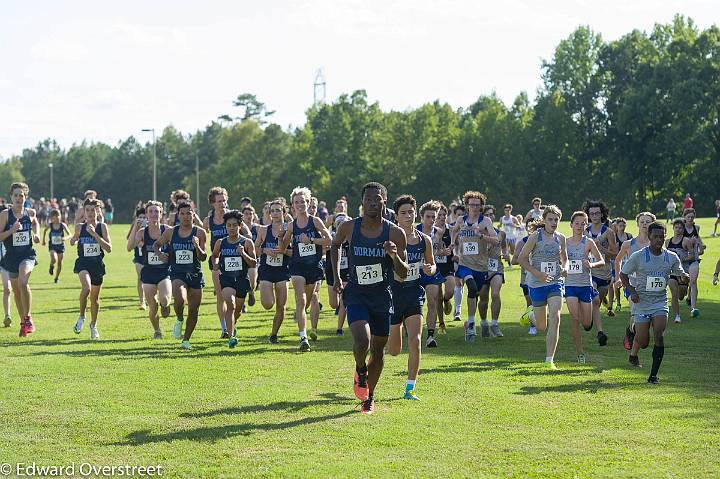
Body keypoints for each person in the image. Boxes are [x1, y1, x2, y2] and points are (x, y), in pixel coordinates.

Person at [330, 181, 408, 414]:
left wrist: (394, 256)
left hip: (382, 296)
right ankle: (360, 369)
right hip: (356, 293)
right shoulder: (348, 228)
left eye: (377, 199)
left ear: (384, 203)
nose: (373, 203)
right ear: (361, 203)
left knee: (378, 349)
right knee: (362, 341)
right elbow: (335, 247)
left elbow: (402, 273)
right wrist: (336, 277)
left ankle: (369, 397)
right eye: (368, 200)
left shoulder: (395, 232)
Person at [620, 222, 688, 384]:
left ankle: (653, 375)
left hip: (659, 302)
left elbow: (680, 273)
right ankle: (633, 329)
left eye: (661, 236)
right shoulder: (638, 256)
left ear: (665, 237)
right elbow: (623, 274)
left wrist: (684, 277)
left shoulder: (671, 257)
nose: (658, 239)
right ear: (649, 236)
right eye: (655, 236)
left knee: (658, 334)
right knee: (643, 343)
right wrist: (632, 291)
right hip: (642, 302)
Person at [388, 195, 435, 401]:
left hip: (414, 293)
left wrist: (429, 269)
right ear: (396, 217)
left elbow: (432, 266)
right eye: (403, 213)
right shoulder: (390, 240)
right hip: (392, 294)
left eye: (411, 212)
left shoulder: (425, 240)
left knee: (415, 340)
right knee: (394, 350)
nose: (408, 216)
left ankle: (409, 389)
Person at [279, 187, 332, 351]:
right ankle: (303, 338)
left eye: (303, 201)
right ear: (292, 205)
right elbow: (283, 247)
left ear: (308, 203)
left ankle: (306, 326)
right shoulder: (291, 226)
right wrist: (281, 238)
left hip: (314, 267)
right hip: (297, 267)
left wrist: (310, 240)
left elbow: (329, 240)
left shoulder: (315, 221)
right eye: (296, 202)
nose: (300, 204)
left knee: (307, 301)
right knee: (301, 300)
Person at [518, 205, 567, 369]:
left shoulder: (561, 238)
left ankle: (549, 360)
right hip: (537, 284)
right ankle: (530, 314)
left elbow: (564, 258)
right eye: (550, 219)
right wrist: (537, 273)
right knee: (541, 326)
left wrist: (565, 268)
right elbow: (522, 259)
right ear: (544, 220)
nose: (553, 223)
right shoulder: (535, 237)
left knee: (556, 317)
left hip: (555, 282)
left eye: (556, 220)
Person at [154, 201, 207, 350]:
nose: (185, 216)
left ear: (193, 214)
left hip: (195, 274)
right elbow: (156, 245)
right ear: (178, 215)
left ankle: (186, 340)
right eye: (182, 213)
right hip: (178, 273)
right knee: (179, 300)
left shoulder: (200, 233)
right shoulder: (171, 232)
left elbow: (203, 257)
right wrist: (160, 254)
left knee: (194, 310)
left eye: (188, 213)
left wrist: (197, 246)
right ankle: (179, 319)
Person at [449, 191, 498, 341]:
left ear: (481, 206)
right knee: (471, 287)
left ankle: (479, 322)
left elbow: (495, 240)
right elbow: (454, 231)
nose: (475, 208)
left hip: (481, 265)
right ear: (467, 205)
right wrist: (453, 244)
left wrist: (481, 235)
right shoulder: (461, 220)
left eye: (477, 205)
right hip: (464, 263)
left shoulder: (485, 221)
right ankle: (471, 324)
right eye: (472, 205)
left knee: (480, 296)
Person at [212, 210, 257, 348]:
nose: (231, 228)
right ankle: (231, 337)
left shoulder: (247, 243)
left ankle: (232, 325)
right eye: (228, 225)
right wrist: (216, 263)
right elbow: (214, 256)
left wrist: (243, 254)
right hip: (226, 279)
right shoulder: (220, 242)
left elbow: (254, 263)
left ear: (240, 226)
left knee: (237, 310)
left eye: (234, 225)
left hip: (242, 280)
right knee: (230, 305)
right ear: (225, 226)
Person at [0, 182, 40, 337]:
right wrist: (12, 230)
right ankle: (23, 322)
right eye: (16, 195)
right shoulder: (4, 215)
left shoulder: (30, 212)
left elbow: (35, 223)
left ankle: (28, 318)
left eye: (21, 195)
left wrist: (36, 234)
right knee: (16, 292)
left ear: (26, 197)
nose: (18, 198)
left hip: (27, 255)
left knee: (23, 282)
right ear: (11, 197)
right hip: (11, 257)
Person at [564, 212, 605, 363]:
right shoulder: (565, 242)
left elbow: (601, 261)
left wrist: (592, 264)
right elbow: (559, 259)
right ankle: (580, 352)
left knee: (586, 323)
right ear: (571, 224)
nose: (580, 226)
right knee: (574, 318)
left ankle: (588, 321)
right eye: (577, 223)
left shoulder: (588, 242)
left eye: (583, 223)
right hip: (570, 285)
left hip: (585, 285)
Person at [71, 199, 112, 339]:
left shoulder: (102, 227)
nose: (89, 213)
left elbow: (109, 248)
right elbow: (74, 238)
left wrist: (95, 235)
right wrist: (73, 239)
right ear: (84, 211)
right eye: (87, 210)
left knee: (94, 299)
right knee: (86, 288)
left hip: (97, 265)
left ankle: (93, 325)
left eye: (92, 210)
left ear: (98, 211)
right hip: (83, 263)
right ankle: (82, 316)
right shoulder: (79, 226)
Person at [131, 201, 172, 338]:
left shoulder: (167, 230)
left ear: (161, 214)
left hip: (164, 271)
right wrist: (134, 228)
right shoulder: (142, 232)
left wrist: (168, 256)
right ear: (147, 215)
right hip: (148, 272)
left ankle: (165, 306)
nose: (154, 214)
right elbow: (130, 246)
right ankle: (157, 331)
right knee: (152, 306)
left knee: (165, 300)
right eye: (151, 212)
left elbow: (175, 248)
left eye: (157, 212)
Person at [614, 212, 654, 351]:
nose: (644, 224)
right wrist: (618, 277)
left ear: (652, 225)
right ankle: (633, 333)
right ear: (637, 224)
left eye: (647, 222)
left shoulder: (655, 243)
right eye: (642, 221)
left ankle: (631, 332)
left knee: (645, 317)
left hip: (650, 287)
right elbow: (618, 260)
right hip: (631, 285)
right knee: (636, 312)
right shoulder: (628, 244)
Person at [255, 199, 292, 343]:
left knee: (281, 307)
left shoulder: (290, 229)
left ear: (284, 212)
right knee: (268, 304)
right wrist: (265, 250)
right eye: (272, 211)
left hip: (283, 271)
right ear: (269, 214)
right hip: (267, 270)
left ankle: (273, 334)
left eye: (278, 210)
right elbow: (255, 250)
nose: (275, 213)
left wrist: (284, 251)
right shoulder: (264, 230)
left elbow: (297, 252)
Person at [582, 200, 614, 344]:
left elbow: (615, 254)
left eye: (597, 213)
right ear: (588, 215)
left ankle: (589, 321)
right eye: (592, 213)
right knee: (594, 301)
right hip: (590, 272)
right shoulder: (584, 231)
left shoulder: (608, 232)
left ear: (602, 214)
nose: (594, 216)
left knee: (597, 301)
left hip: (605, 273)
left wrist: (602, 250)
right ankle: (600, 332)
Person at [203, 187, 231, 337]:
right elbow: (201, 234)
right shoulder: (209, 221)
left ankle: (232, 322)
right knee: (220, 295)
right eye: (219, 201)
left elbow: (247, 232)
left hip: (234, 260)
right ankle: (224, 328)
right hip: (216, 260)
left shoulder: (232, 218)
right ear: (213, 203)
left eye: (224, 200)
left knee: (234, 297)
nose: (223, 203)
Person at [417, 200, 445, 347]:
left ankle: (430, 336)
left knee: (432, 301)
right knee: (414, 304)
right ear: (422, 217)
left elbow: (438, 250)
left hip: (432, 271)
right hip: (416, 271)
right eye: (428, 217)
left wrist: (443, 252)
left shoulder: (439, 232)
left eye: (433, 217)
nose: (431, 220)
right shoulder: (415, 231)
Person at [479, 205, 507, 337]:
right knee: (483, 299)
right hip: (482, 269)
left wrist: (506, 254)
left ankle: (495, 324)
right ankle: (484, 323)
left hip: (496, 268)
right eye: (487, 215)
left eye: (491, 214)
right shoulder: (477, 234)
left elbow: (504, 245)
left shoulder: (500, 233)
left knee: (495, 294)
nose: (490, 217)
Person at [665, 219, 694, 324]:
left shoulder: (686, 241)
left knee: (681, 295)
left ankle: (683, 296)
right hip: (672, 272)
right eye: (676, 227)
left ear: (683, 229)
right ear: (673, 228)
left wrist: (682, 259)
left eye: (680, 228)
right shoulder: (668, 241)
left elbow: (692, 255)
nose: (678, 229)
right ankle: (677, 316)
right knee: (674, 294)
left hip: (683, 272)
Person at [432, 203, 455, 333]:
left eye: (443, 215)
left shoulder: (450, 229)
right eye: (439, 215)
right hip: (435, 266)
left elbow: (458, 244)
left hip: (448, 266)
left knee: (450, 290)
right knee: (437, 296)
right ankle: (441, 324)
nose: (441, 217)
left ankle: (447, 300)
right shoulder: (431, 231)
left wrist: (454, 250)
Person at [682, 208, 705, 318]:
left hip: (694, 259)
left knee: (694, 281)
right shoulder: (680, 228)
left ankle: (693, 308)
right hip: (683, 260)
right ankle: (687, 296)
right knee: (684, 285)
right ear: (684, 217)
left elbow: (699, 239)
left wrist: (701, 247)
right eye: (688, 217)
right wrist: (689, 243)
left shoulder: (696, 228)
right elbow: (677, 242)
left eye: (692, 217)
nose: (690, 218)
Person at [126, 207, 148, 310]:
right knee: (141, 278)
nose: (142, 219)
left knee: (151, 279)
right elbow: (128, 239)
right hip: (139, 257)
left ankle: (152, 297)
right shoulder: (135, 226)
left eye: (144, 217)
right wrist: (135, 227)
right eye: (140, 217)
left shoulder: (151, 226)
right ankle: (142, 301)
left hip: (150, 257)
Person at [42, 209, 71, 284]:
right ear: (52, 218)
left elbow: (70, 234)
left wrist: (65, 238)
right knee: (54, 259)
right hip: (52, 246)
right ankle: (51, 266)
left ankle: (56, 278)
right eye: (54, 217)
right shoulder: (50, 225)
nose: (56, 219)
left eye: (58, 217)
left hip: (60, 246)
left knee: (59, 263)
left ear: (60, 217)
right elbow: (45, 230)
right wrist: (43, 240)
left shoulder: (62, 225)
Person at [611, 218, 633, 311]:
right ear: (617, 227)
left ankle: (630, 300)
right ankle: (618, 302)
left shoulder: (629, 236)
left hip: (627, 262)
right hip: (618, 261)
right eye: (620, 226)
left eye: (624, 225)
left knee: (627, 282)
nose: (622, 227)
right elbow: (614, 251)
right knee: (616, 283)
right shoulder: (614, 237)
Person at [241, 205, 259, 309]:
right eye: (246, 214)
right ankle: (242, 304)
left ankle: (251, 292)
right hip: (241, 259)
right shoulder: (239, 228)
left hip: (253, 259)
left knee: (252, 282)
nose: (248, 216)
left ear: (254, 215)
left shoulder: (258, 228)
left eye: (250, 213)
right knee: (241, 282)